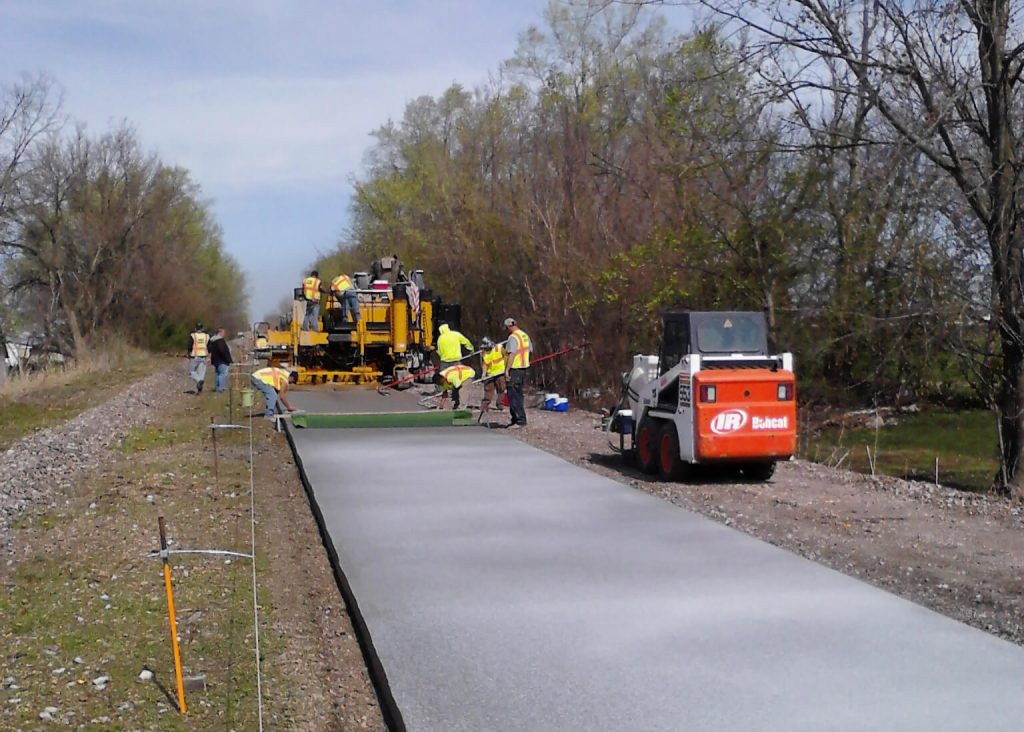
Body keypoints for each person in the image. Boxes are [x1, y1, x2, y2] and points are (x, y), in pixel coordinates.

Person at [503, 317, 532, 428]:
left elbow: (512, 354)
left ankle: (519, 420)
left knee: (513, 395)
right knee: (518, 393)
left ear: (509, 326)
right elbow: (530, 350)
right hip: (523, 368)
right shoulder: (524, 335)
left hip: (514, 369)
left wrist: (507, 370)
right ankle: (517, 419)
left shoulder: (513, 337)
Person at [478, 336, 506, 421]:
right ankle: (485, 405)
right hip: (490, 373)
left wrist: (507, 368)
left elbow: (506, 356)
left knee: (501, 389)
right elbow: (484, 364)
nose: (485, 349)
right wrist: (483, 374)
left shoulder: (499, 347)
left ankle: (500, 405)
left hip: (500, 372)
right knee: (488, 390)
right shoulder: (484, 353)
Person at [208, 328, 233, 393]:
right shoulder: (220, 341)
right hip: (222, 360)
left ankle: (216, 387)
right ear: (220, 332)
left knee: (217, 374)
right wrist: (227, 359)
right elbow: (222, 351)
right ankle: (220, 388)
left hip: (215, 360)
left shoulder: (212, 340)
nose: (224, 334)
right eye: (223, 333)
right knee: (223, 374)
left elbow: (209, 350)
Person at [187, 323, 209, 394]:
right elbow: (210, 347)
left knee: (191, 372)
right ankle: (200, 389)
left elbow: (189, 346)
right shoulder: (207, 336)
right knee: (201, 374)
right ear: (203, 328)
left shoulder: (193, 336)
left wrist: (189, 353)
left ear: (195, 329)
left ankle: (199, 381)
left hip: (195, 357)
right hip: (204, 357)